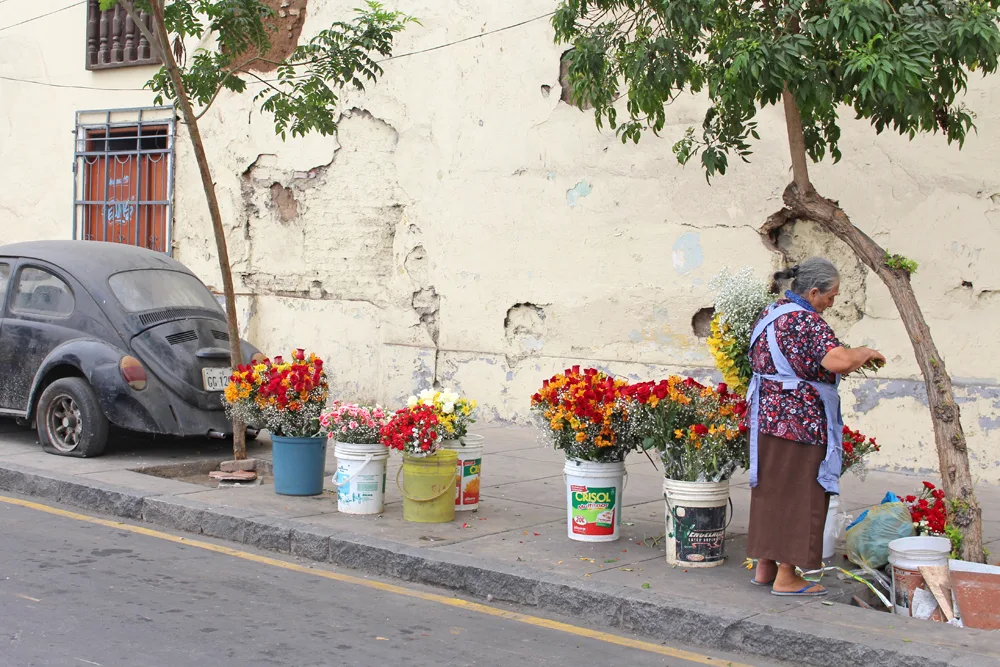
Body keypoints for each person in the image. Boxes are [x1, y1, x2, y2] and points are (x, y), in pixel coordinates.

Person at [746, 257, 885, 596]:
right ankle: (786, 577)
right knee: (800, 495)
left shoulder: (772, 313)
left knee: (772, 492)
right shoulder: (807, 322)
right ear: (813, 291)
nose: (831, 303)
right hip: (800, 423)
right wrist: (864, 352)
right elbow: (836, 360)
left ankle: (765, 567)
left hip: (767, 418)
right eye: (830, 296)